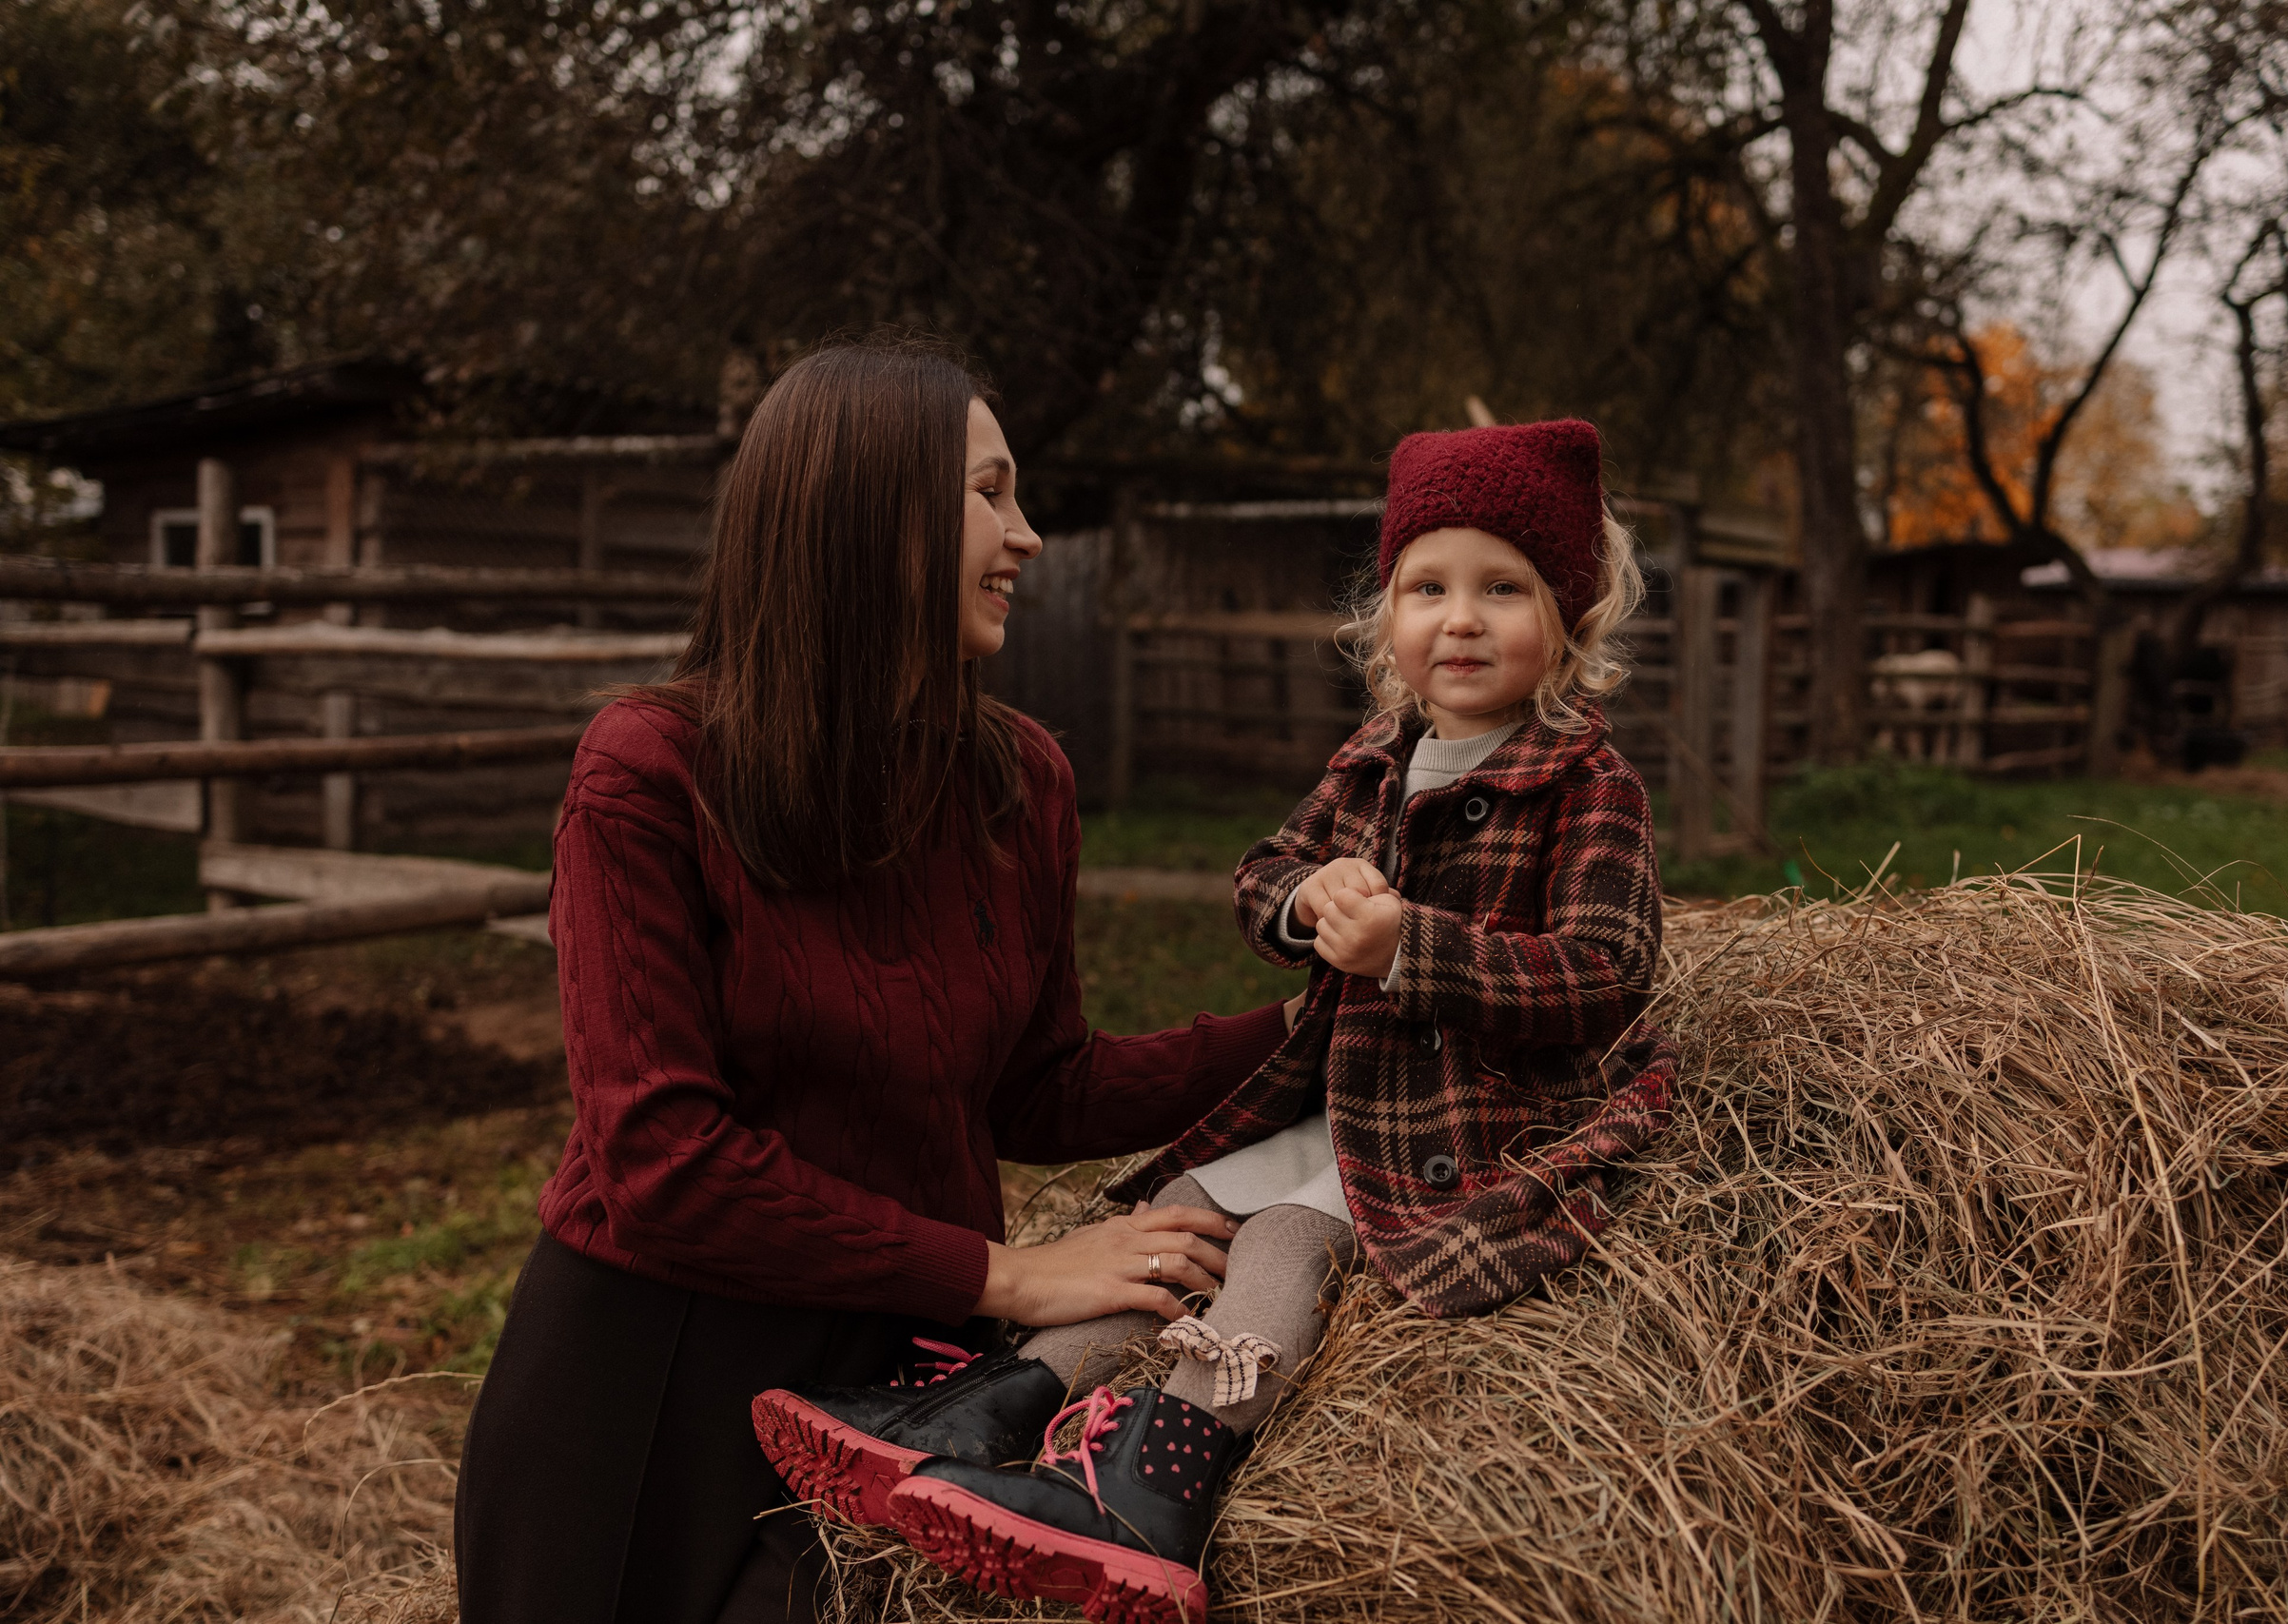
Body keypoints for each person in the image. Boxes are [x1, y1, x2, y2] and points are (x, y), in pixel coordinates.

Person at [758, 417, 1680, 1624]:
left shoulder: (1586, 779)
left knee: (1281, 1247)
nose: (1460, 620)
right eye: (1427, 587)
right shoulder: (1372, 760)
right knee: (1178, 1213)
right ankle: (992, 1412)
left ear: (1568, 617)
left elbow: (1608, 969)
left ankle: (1163, 1477)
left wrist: (1419, 951)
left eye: (1502, 589)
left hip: (1472, 1117)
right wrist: (1306, 901)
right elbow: (1262, 873)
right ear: (1384, 617)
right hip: (1345, 1098)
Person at [451, 339, 1300, 1624]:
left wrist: (1308, 1030)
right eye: (989, 492)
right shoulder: (652, 767)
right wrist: (1016, 1276)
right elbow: (661, 1157)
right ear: (863, 511)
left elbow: (1036, 1087)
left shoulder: (1021, 780)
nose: (1026, 535)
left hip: (906, 1373)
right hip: (652, 1375)